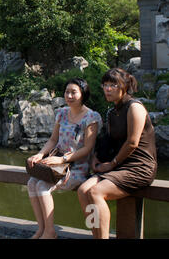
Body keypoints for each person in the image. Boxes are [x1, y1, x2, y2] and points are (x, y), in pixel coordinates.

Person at [77, 68, 157, 239]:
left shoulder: (134, 107)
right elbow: (108, 140)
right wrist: (96, 157)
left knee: (96, 192)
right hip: (120, 165)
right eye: (105, 85)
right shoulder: (112, 112)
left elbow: (132, 142)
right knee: (83, 190)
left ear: (125, 86)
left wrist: (111, 164)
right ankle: (97, 234)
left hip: (139, 167)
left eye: (113, 85)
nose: (108, 89)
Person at [26, 78, 102, 239]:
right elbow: (53, 140)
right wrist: (40, 154)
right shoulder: (61, 113)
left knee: (42, 186)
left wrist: (63, 160)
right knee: (32, 182)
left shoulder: (91, 117)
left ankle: (50, 232)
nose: (69, 95)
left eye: (73, 92)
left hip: (76, 167)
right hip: (57, 163)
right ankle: (41, 229)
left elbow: (87, 148)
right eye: (67, 92)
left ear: (83, 94)